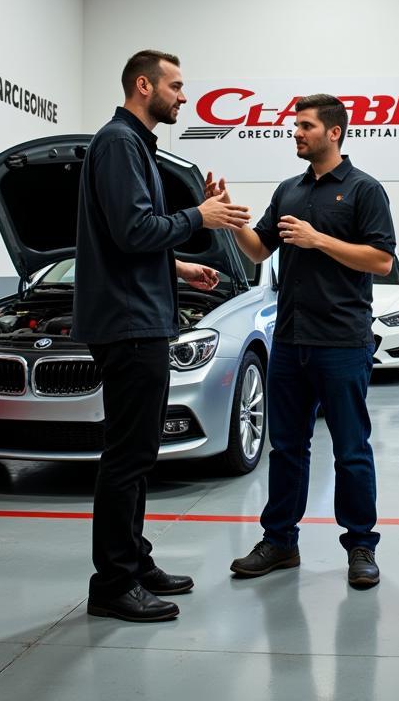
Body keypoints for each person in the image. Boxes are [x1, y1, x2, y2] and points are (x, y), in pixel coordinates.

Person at [73, 50, 251, 623]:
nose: (182, 95)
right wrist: (202, 217)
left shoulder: (135, 147)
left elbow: (129, 238)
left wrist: (179, 267)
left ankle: (135, 560)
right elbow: (131, 232)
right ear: (143, 85)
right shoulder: (119, 144)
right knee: (127, 456)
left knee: (140, 451)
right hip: (128, 323)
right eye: (175, 86)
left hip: (140, 314)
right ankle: (114, 583)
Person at [209, 94, 396, 589]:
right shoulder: (288, 189)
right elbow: (258, 249)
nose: (296, 133)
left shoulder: (364, 190)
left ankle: (360, 545)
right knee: (287, 448)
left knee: (351, 448)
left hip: (342, 341)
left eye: (306, 126)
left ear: (334, 132)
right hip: (289, 340)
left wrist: (319, 241)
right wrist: (233, 219)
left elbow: (380, 261)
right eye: (295, 126)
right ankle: (280, 542)